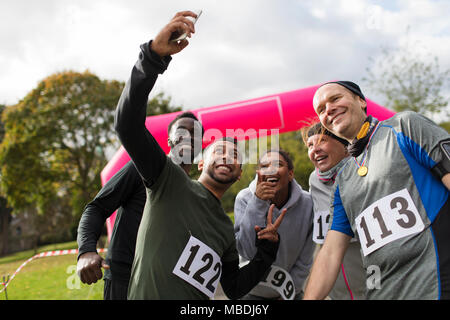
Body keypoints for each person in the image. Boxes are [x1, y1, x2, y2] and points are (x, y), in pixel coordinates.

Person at [114, 11, 286, 300]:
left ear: (240, 173)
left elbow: (233, 289)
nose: (227, 156)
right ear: (201, 161)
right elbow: (127, 124)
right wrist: (153, 57)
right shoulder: (167, 180)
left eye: (235, 155)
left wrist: (266, 253)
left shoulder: (223, 228)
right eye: (219, 150)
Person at [303, 81, 450, 300]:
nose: (329, 110)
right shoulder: (342, 181)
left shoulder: (405, 125)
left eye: (335, 99)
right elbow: (330, 253)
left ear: (361, 101)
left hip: (434, 285)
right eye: (321, 109)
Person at [76, 111, 204, 300]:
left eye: (195, 133)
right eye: (182, 131)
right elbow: (96, 208)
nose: (188, 137)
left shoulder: (194, 192)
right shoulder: (141, 169)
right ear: (169, 139)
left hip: (166, 285)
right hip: (124, 281)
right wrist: (86, 250)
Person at [234, 149, 314, 300]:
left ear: (290, 174)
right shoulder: (244, 199)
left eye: (278, 164)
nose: (270, 169)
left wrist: (290, 291)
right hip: (250, 292)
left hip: (290, 293)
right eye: (264, 166)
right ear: (259, 173)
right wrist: (258, 203)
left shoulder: (307, 203)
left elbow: (305, 258)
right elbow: (246, 252)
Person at [302, 122, 366, 300]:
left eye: (322, 141)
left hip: (366, 264)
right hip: (335, 270)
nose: (315, 149)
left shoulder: (364, 168)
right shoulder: (314, 179)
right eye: (310, 145)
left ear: (345, 146)